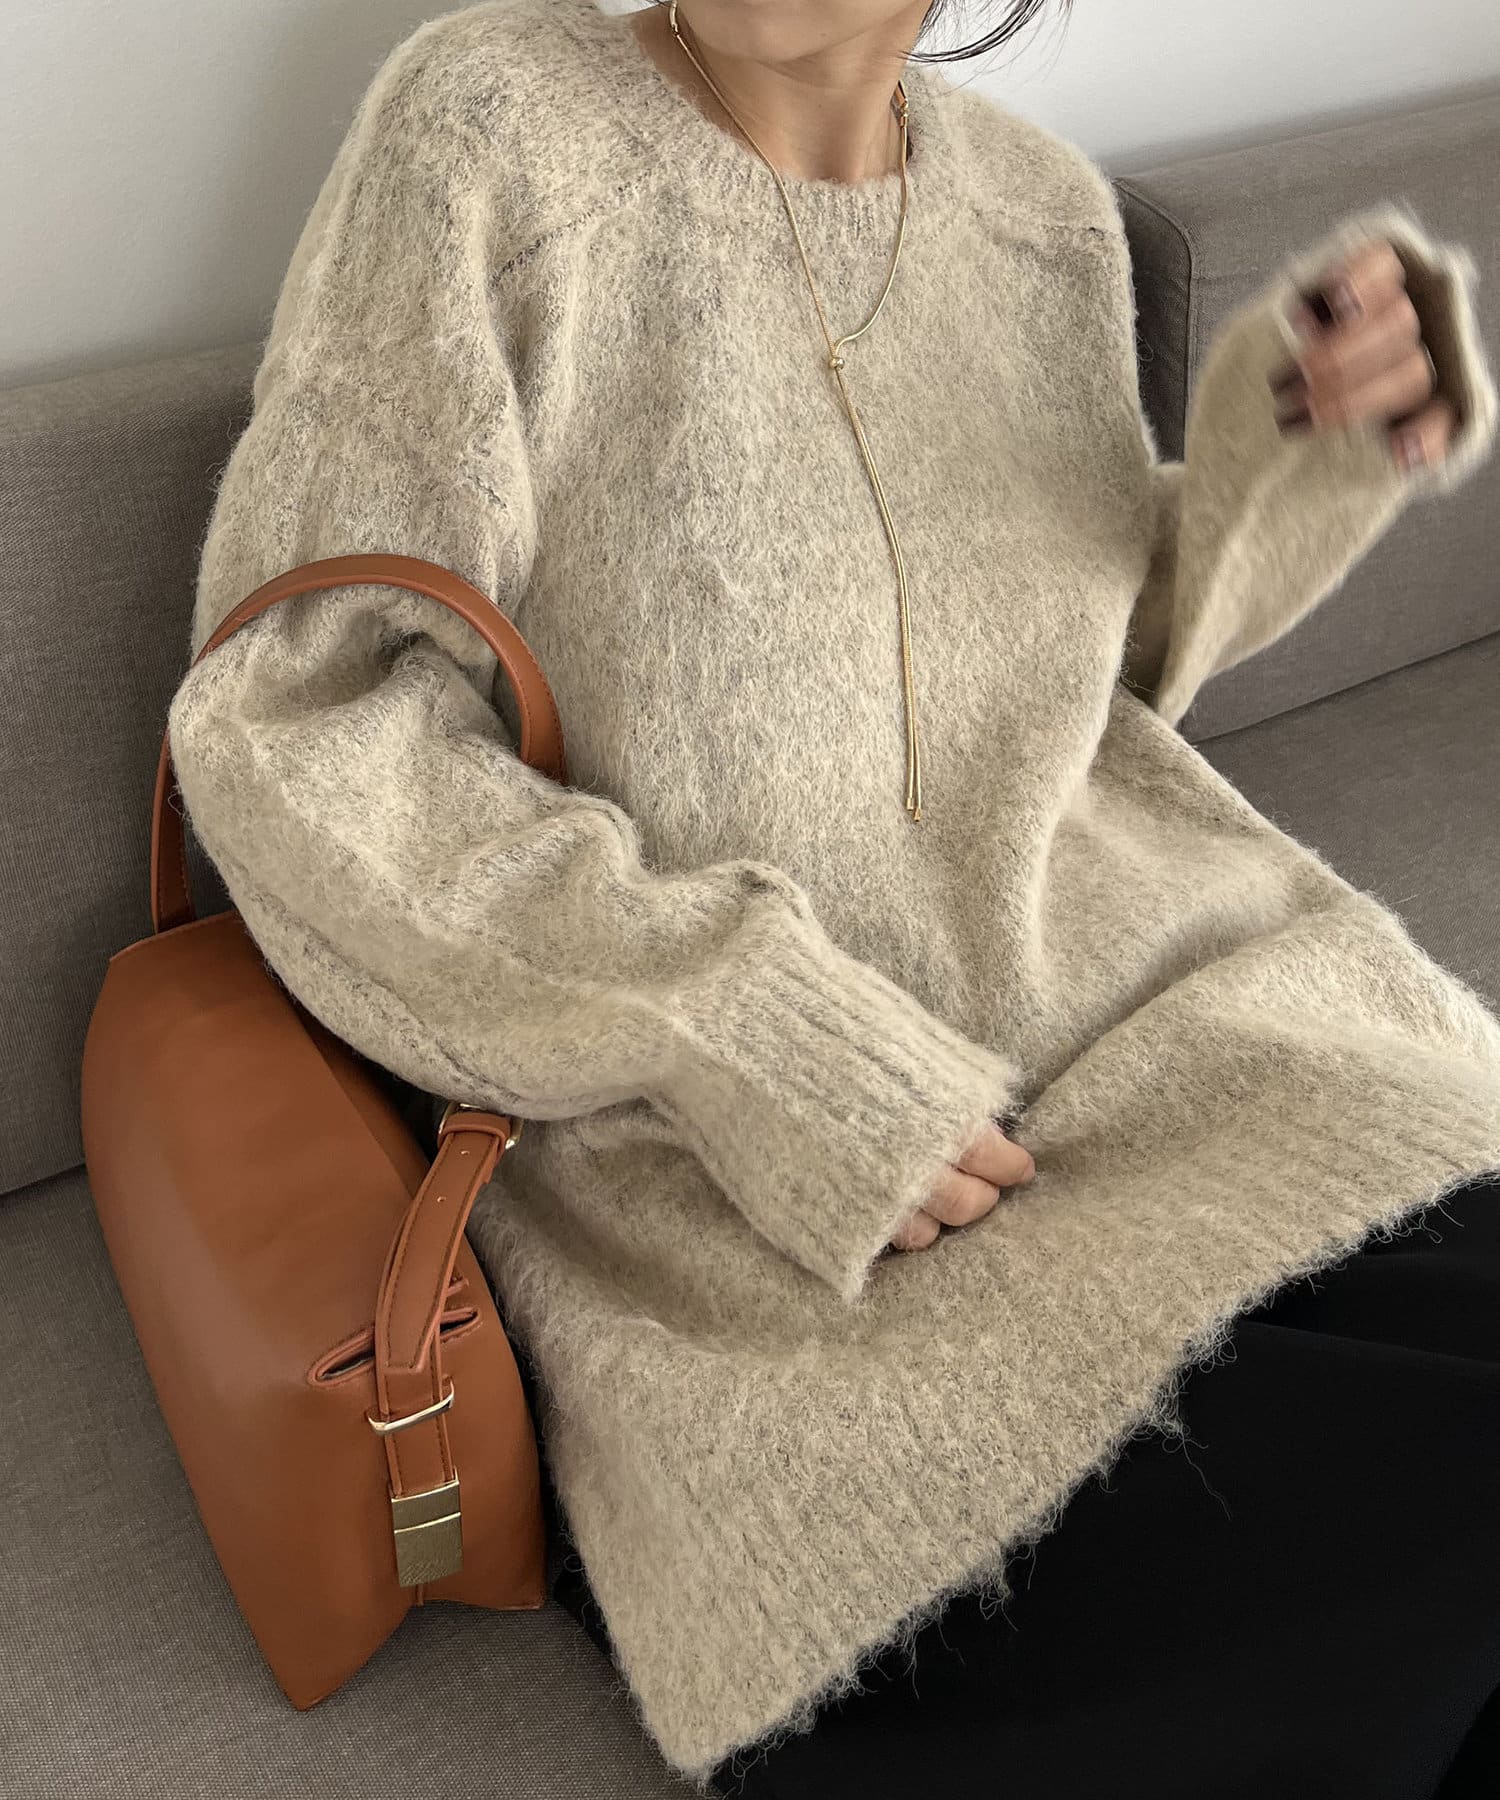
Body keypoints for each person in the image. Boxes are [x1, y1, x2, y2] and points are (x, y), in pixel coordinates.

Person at [166, 0, 1500, 1792]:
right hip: (752, 1199)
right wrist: (736, 1020)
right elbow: (294, 716)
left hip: (1195, 1039)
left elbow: (1062, 677)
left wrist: (1307, 441)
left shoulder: (1041, 216)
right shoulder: (490, 131)